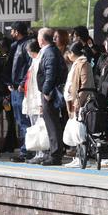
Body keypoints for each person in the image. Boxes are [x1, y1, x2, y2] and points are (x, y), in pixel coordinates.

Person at [34, 28, 67, 165]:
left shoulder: (50, 52)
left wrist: (46, 91)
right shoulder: (50, 51)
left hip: (50, 94)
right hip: (49, 92)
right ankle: (52, 152)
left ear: (42, 39)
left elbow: (50, 73)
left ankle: (55, 155)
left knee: (53, 124)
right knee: (51, 124)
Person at [62, 43, 95, 167]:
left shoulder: (83, 64)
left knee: (80, 131)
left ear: (72, 53)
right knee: (75, 130)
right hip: (73, 101)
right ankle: (78, 156)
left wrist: (79, 101)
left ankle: (82, 157)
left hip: (80, 102)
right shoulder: (77, 64)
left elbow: (85, 85)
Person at [6, 23, 33, 160]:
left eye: (12, 31)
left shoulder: (27, 45)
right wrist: (9, 83)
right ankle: (25, 149)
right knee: (19, 120)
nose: (11, 33)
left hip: (21, 88)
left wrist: (22, 83)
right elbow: (10, 66)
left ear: (16, 32)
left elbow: (30, 66)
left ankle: (26, 150)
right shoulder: (14, 46)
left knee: (24, 120)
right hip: (15, 88)